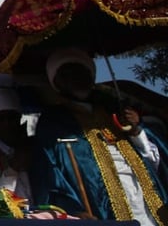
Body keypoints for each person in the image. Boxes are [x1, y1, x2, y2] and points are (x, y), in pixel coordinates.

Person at [32, 48, 168, 226]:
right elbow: (50, 175)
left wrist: (136, 131)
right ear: (57, 82)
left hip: (146, 201)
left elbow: (156, 160)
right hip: (99, 209)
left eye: (82, 71)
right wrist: (73, 211)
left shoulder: (115, 110)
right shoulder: (53, 122)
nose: (77, 78)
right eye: (68, 74)